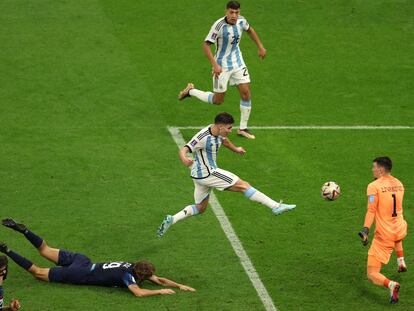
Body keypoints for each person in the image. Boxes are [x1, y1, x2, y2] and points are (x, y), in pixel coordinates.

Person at [157, 112, 295, 237]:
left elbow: (225, 141)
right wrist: (184, 159)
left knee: (200, 208)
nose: (230, 130)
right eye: (229, 128)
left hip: (198, 176)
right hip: (209, 173)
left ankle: (172, 219)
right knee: (244, 186)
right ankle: (275, 206)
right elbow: (184, 149)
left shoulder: (219, 133)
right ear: (220, 126)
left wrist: (236, 149)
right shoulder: (202, 136)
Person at [0, 218, 195, 298]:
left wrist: (178, 285)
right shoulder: (128, 277)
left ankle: (25, 231)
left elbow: (158, 278)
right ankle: (7, 250)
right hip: (79, 272)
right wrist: (160, 292)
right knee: (37, 271)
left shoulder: (132, 266)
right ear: (140, 274)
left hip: (83, 260)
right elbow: (139, 293)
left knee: (45, 249)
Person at [178, 1, 266, 140]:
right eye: (231, 12)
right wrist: (215, 65)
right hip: (221, 66)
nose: (234, 15)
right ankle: (190, 91)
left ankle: (243, 128)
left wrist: (260, 46)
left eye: (236, 13)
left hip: (238, 63)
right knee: (218, 100)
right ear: (226, 11)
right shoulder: (219, 26)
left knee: (246, 93)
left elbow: (250, 30)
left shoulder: (242, 21)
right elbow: (206, 45)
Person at [358, 157, 408, 304]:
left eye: (374, 167)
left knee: (372, 273)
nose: (372, 170)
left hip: (384, 236)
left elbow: (371, 210)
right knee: (396, 230)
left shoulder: (374, 186)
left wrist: (365, 230)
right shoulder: (399, 184)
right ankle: (401, 260)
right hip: (400, 228)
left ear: (380, 169)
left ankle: (391, 285)